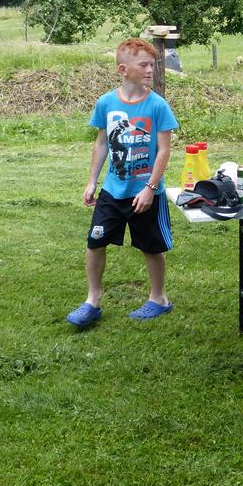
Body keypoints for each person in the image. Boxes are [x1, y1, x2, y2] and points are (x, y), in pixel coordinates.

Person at [66, 38, 178, 329]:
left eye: (152, 65)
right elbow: (101, 143)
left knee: (151, 247)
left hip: (146, 193)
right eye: (144, 65)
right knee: (95, 242)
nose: (150, 70)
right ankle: (92, 300)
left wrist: (150, 188)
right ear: (123, 69)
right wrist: (92, 182)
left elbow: (164, 150)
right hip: (113, 191)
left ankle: (159, 299)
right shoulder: (106, 103)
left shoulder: (158, 106)